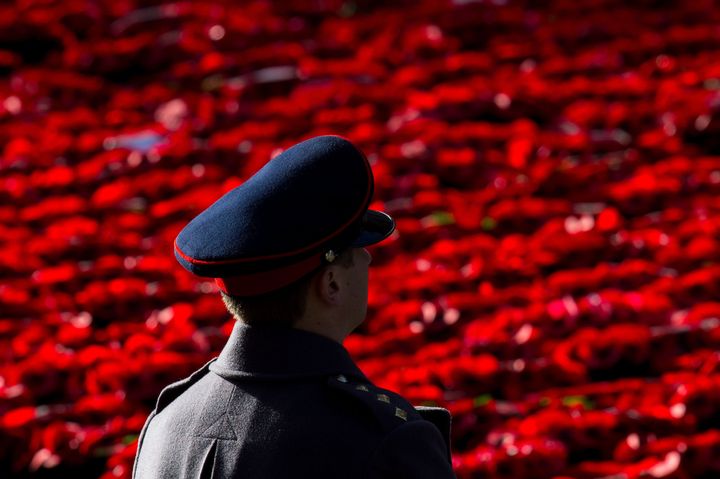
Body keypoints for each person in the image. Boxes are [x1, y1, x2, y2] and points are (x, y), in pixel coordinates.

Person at [132, 136, 456, 478]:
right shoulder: (383, 439)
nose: (368, 257)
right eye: (357, 249)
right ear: (331, 284)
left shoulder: (165, 425)